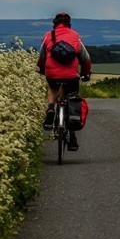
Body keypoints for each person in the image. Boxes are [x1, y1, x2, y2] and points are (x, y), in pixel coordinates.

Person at [36, 12, 91, 151]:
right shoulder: (75, 36)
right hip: (71, 75)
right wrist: (85, 74)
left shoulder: (48, 35)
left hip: (52, 73)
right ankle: (72, 138)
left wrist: (42, 69)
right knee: (71, 100)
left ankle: (50, 109)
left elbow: (42, 56)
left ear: (54, 24)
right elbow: (85, 58)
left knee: (53, 88)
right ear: (69, 24)